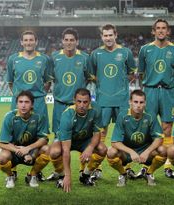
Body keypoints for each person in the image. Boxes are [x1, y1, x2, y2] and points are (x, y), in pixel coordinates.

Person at [89, 24, 137, 177]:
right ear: (102, 37)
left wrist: (120, 84)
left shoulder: (126, 52)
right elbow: (92, 75)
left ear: (116, 35)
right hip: (102, 100)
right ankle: (97, 168)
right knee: (100, 134)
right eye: (105, 35)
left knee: (124, 133)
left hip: (122, 99)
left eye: (111, 35)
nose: (108, 38)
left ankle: (127, 166)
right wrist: (104, 85)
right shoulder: (96, 54)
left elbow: (131, 73)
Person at [138, 19, 174, 178]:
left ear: (168, 31)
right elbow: (141, 73)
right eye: (158, 28)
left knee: (167, 128)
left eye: (164, 28)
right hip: (150, 91)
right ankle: (145, 164)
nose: (161, 31)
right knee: (147, 128)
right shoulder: (145, 49)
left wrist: (169, 84)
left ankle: (168, 166)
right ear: (153, 31)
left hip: (168, 92)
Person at [47, 28, 91, 180]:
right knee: (57, 145)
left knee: (83, 138)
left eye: (72, 40)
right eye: (66, 39)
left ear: (77, 42)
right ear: (62, 41)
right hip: (60, 105)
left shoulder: (85, 58)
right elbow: (50, 79)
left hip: (79, 106)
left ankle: (83, 172)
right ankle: (60, 172)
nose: (69, 42)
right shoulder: (54, 57)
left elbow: (89, 78)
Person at [51, 88, 107, 193]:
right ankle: (61, 176)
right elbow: (66, 149)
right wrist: (68, 175)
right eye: (79, 101)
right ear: (74, 101)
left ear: (90, 101)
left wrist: (90, 147)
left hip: (85, 140)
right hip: (67, 141)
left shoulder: (96, 109)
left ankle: (85, 175)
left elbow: (97, 133)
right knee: (54, 152)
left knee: (103, 149)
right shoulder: (67, 115)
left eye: (85, 102)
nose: (82, 105)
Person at [107, 90, 167, 187]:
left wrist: (147, 152)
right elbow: (115, 142)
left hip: (146, 151)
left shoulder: (150, 115)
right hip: (127, 152)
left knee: (163, 150)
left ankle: (149, 173)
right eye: (135, 102)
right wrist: (131, 152)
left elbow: (159, 139)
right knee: (111, 152)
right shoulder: (123, 116)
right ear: (130, 102)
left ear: (145, 103)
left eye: (141, 102)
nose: (138, 105)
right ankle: (123, 174)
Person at [0, 90, 50, 188]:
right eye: (20, 102)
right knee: (1, 156)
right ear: (16, 104)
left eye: (26, 102)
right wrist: (22, 151)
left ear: (32, 104)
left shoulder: (39, 117)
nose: (23, 105)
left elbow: (44, 139)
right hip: (14, 151)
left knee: (47, 149)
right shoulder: (9, 117)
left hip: (33, 151)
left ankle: (32, 175)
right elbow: (2, 143)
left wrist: (28, 149)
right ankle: (10, 176)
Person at [6, 30, 51, 133]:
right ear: (21, 42)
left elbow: (48, 82)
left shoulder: (45, 59)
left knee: (40, 133)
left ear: (36, 42)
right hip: (19, 101)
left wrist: (40, 94)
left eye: (31, 40)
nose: (28, 42)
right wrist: (19, 96)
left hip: (38, 101)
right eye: (25, 40)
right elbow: (10, 82)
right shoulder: (13, 59)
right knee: (15, 132)